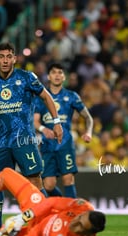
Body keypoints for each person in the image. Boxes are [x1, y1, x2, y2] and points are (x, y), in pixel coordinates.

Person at [0, 42, 63, 229]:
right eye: (2, 57)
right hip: (3, 142)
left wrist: (56, 123)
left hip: (25, 140)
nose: (5, 60)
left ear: (14, 58)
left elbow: (46, 97)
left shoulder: (26, 77)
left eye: (9, 57)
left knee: (35, 182)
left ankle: (47, 224)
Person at [34, 63, 93, 198]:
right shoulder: (41, 98)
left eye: (60, 72)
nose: (57, 75)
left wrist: (88, 132)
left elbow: (88, 117)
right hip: (47, 145)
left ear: (64, 77)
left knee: (68, 179)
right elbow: (35, 121)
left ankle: (71, 215)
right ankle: (62, 205)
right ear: (48, 76)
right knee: (48, 185)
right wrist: (43, 129)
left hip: (65, 144)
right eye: (54, 72)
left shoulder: (71, 96)